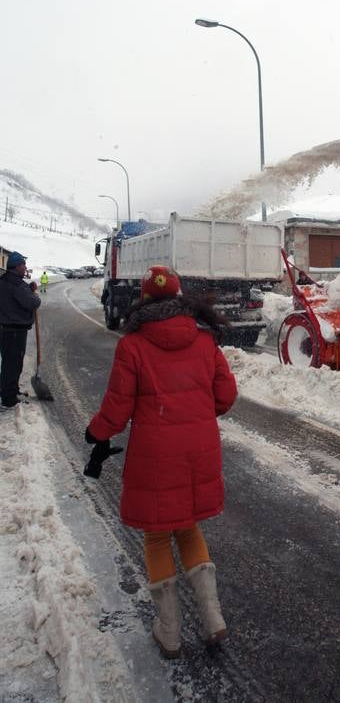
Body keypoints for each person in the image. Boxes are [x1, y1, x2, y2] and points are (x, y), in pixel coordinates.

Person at [84, 265, 237, 657]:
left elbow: (116, 411)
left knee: (156, 533)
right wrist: (198, 416)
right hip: (198, 448)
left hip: (154, 454)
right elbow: (226, 395)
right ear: (180, 296)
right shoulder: (205, 341)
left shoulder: (132, 345)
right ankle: (214, 619)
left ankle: (169, 634)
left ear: (145, 299)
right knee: (186, 526)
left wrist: (96, 433)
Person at [0, 251, 41, 408]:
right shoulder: (16, 284)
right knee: (13, 364)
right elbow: (32, 303)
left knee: (9, 363)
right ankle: (9, 399)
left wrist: (28, 290)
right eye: (23, 265)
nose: (25, 267)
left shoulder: (4, 280)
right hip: (15, 331)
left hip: (5, 329)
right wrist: (35, 296)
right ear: (16, 266)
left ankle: (9, 390)